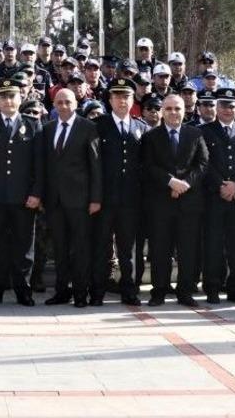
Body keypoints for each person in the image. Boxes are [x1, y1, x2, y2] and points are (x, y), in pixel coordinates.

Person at [0, 78, 42, 305]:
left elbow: (39, 165)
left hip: (24, 199)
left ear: (20, 98)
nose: (8, 100)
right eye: (4, 96)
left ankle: (24, 290)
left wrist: (36, 193)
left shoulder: (32, 124)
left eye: (12, 96)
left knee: (24, 246)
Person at [140, 94, 209, 307]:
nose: (173, 113)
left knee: (188, 250)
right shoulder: (151, 137)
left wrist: (185, 184)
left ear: (184, 110)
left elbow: (203, 163)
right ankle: (159, 291)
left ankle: (185, 292)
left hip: (189, 203)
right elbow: (147, 166)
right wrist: (170, 182)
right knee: (160, 249)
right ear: (162, 111)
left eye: (177, 108)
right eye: (168, 108)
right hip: (161, 203)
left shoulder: (195, 134)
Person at [37, 89, 102, 308]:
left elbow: (95, 166)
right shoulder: (47, 129)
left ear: (76, 103)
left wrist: (95, 198)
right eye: (59, 102)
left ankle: (81, 293)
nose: (63, 106)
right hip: (54, 201)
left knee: (81, 248)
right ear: (53, 104)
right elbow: (44, 166)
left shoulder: (89, 128)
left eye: (67, 102)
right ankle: (62, 291)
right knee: (60, 249)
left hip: (81, 201)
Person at [91, 78, 148, 305]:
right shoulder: (98, 126)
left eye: (126, 96)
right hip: (104, 199)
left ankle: (129, 291)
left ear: (132, 99)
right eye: (117, 96)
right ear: (110, 99)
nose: (122, 100)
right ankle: (97, 291)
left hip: (131, 201)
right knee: (101, 247)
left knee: (128, 249)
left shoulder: (141, 127)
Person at [200, 87, 235, 305]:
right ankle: (212, 287)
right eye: (223, 105)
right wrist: (222, 186)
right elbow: (205, 163)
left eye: (232, 106)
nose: (227, 109)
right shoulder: (205, 131)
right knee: (213, 244)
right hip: (214, 198)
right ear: (217, 106)